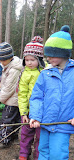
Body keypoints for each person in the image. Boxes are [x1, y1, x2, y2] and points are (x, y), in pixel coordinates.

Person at [29, 25, 74, 160]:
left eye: (51, 55)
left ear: (62, 53)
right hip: (45, 124)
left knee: (57, 154)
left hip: (63, 125)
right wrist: (36, 116)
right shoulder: (45, 74)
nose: (48, 59)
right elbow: (36, 97)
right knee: (42, 151)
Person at [0, 42, 23, 149]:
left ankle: (4, 140)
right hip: (13, 99)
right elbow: (6, 83)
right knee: (14, 120)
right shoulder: (9, 65)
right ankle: (12, 137)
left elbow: (9, 89)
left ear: (10, 57)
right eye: (0, 59)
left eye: (3, 60)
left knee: (6, 120)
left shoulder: (14, 69)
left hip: (13, 100)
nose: (1, 62)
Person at [18, 36, 45, 160]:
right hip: (28, 111)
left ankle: (38, 156)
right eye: (27, 60)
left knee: (41, 136)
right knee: (25, 134)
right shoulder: (24, 73)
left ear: (39, 59)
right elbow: (22, 94)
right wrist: (23, 112)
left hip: (42, 112)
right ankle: (24, 154)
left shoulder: (45, 72)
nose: (29, 63)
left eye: (32, 60)